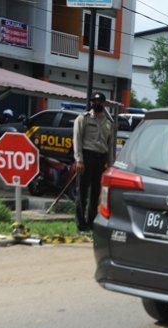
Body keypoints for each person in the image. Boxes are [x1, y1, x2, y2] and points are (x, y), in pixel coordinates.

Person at [73, 91, 114, 231]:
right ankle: (80, 224)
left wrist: (110, 165)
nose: (97, 104)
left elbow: (110, 146)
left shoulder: (108, 123)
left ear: (104, 104)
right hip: (87, 157)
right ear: (91, 103)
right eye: (94, 102)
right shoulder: (83, 118)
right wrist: (79, 160)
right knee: (82, 192)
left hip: (101, 159)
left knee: (96, 193)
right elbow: (77, 140)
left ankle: (91, 222)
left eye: (100, 102)